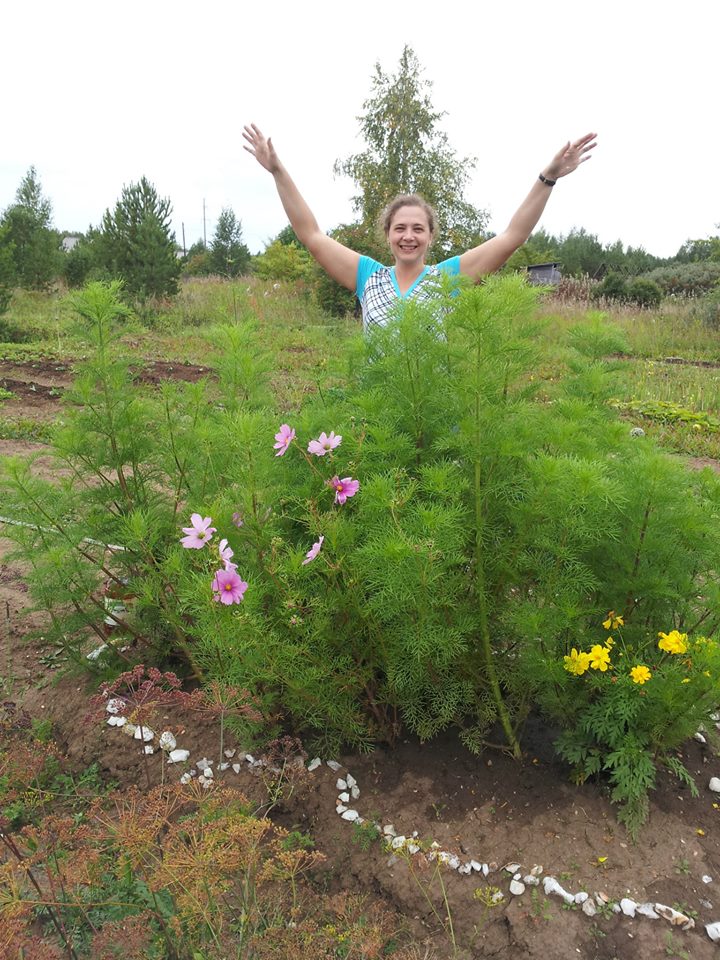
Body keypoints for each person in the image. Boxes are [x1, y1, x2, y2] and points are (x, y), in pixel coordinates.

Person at [243, 123, 597, 331]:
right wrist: (278, 171)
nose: (408, 236)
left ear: (430, 236)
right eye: (399, 228)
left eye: (417, 229)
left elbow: (512, 237)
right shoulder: (368, 276)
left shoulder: (446, 280)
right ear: (387, 235)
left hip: (434, 420)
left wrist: (548, 177)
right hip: (380, 421)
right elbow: (311, 235)